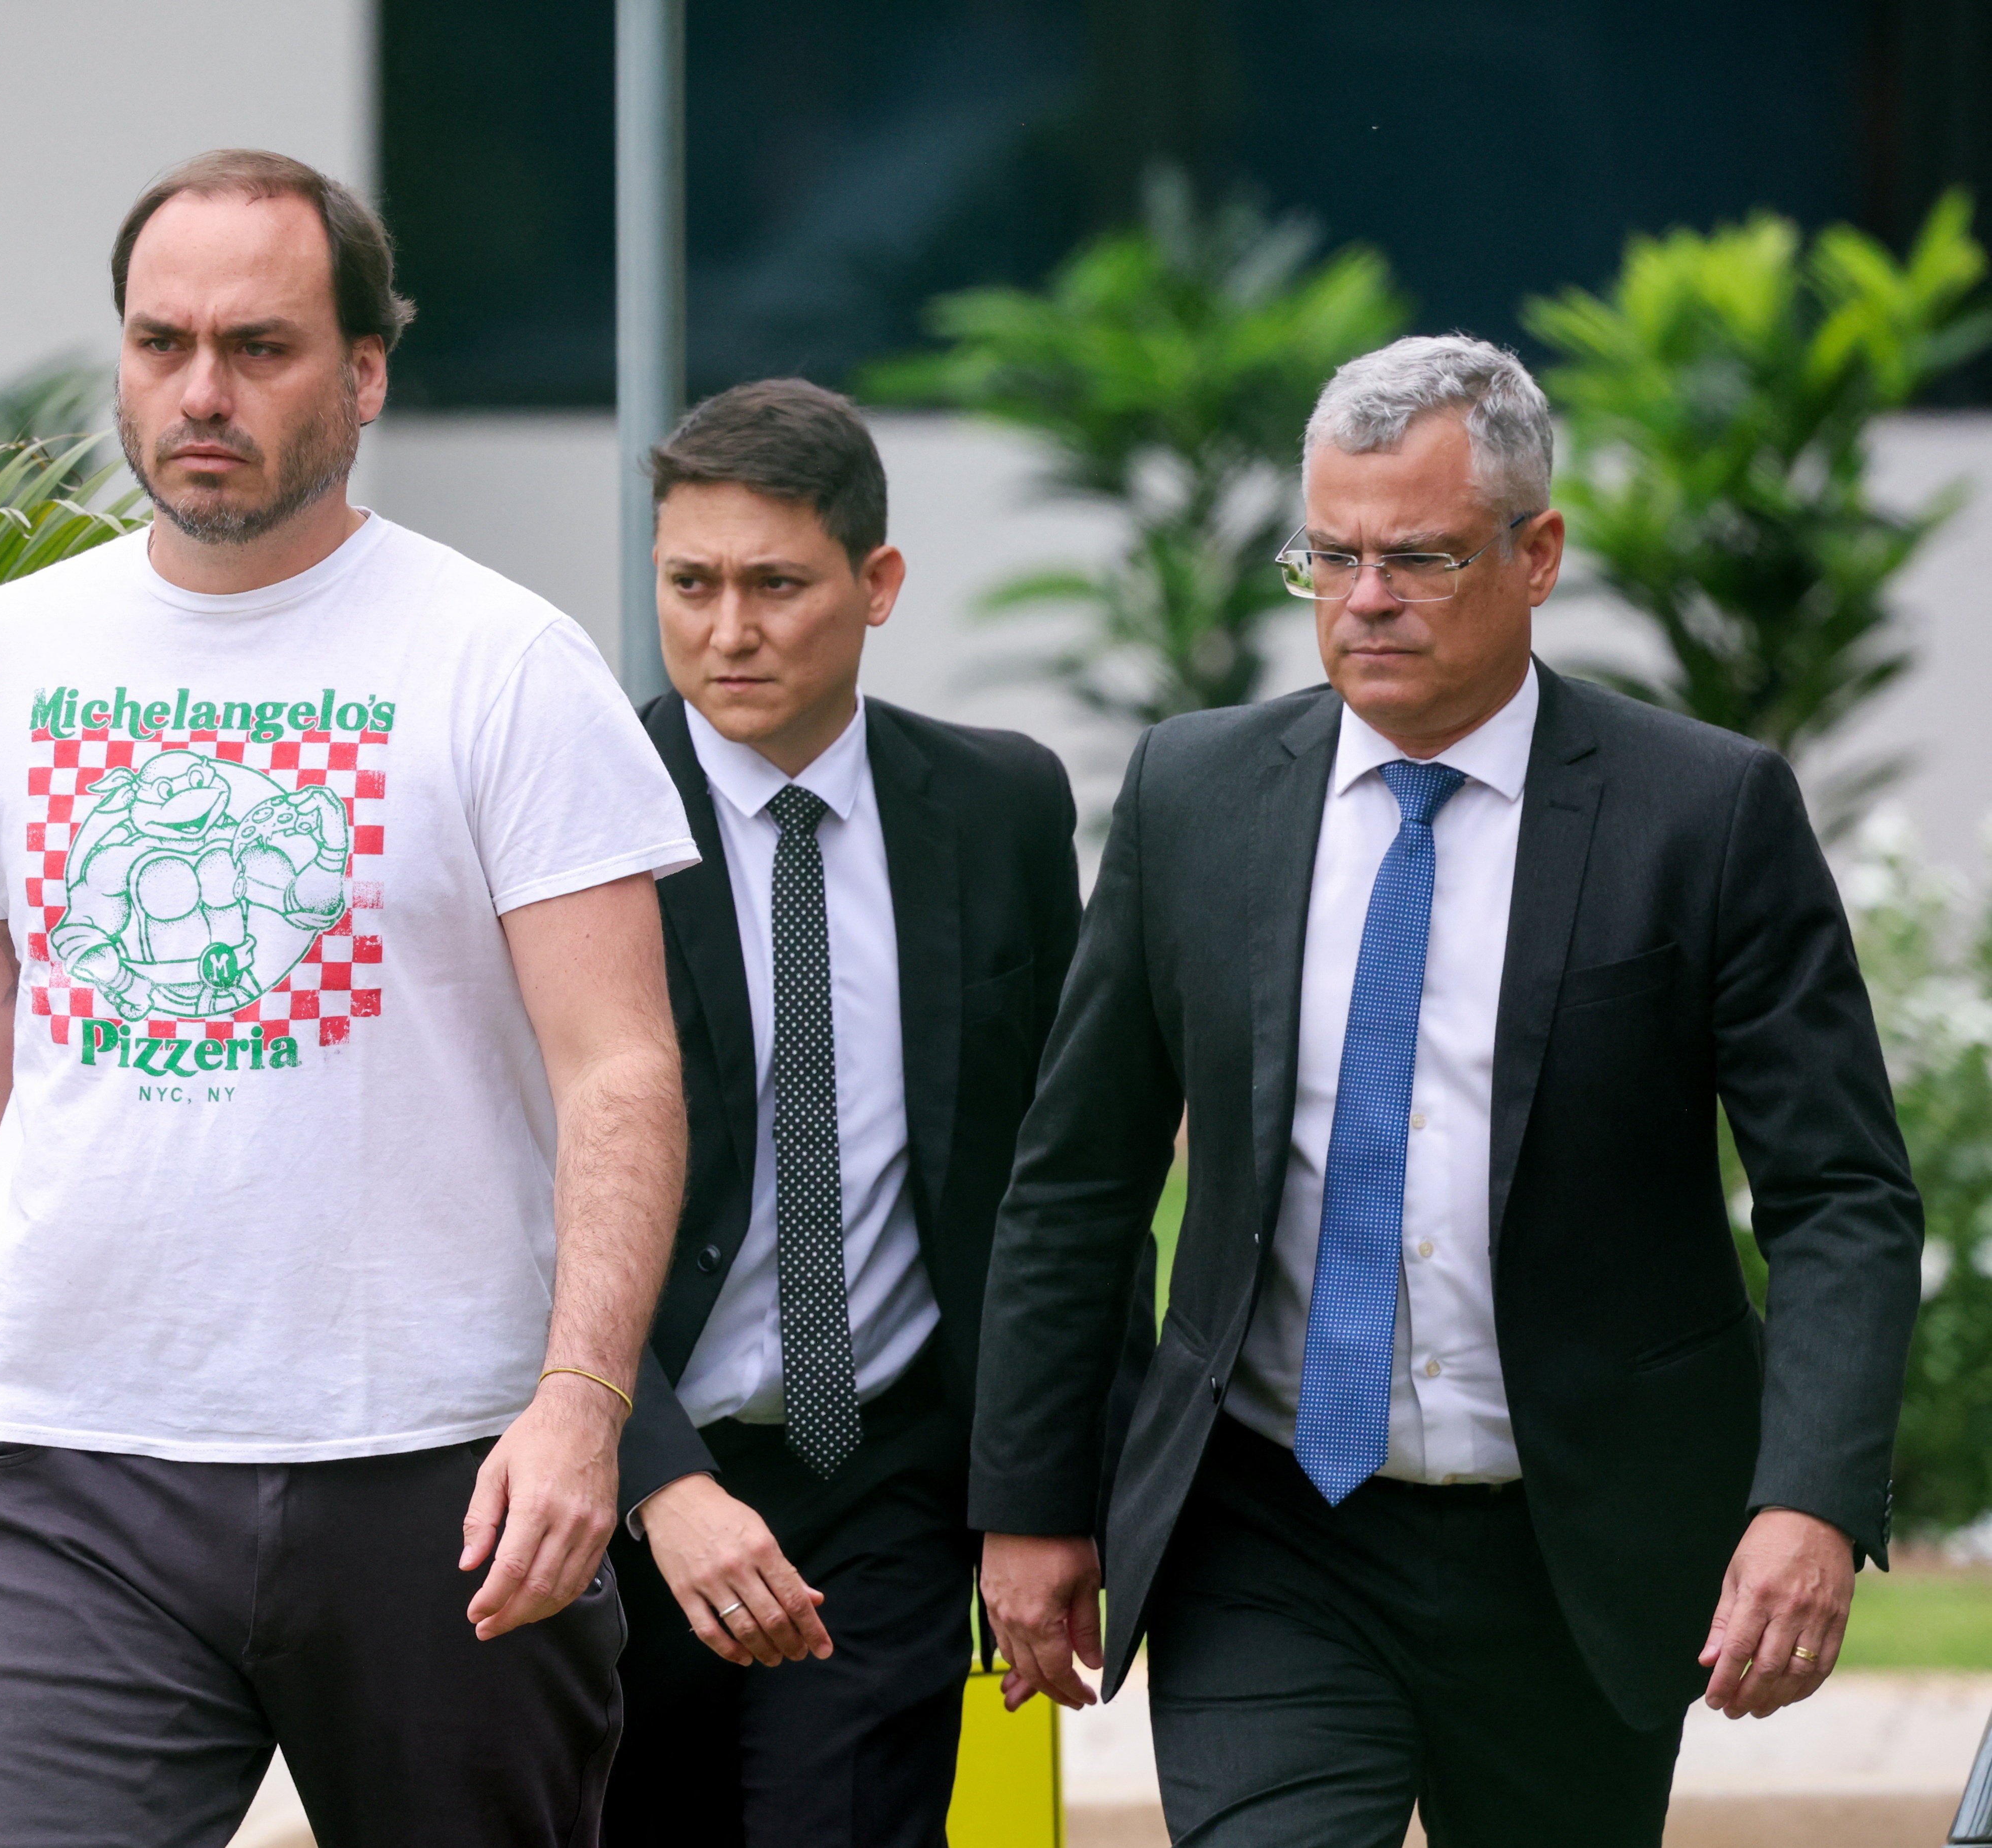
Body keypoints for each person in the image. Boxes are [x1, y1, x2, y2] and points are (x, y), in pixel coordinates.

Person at [0, 148, 699, 1848]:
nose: (201, 392)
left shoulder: (500, 661)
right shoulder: (8, 654)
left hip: (444, 1475)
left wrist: (580, 1405)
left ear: (364, 374)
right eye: (160, 343)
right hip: (77, 1473)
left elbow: (619, 1068)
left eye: (259, 346)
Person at [969, 335, 1924, 1847]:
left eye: (1417, 556)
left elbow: (1841, 1195)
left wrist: (1806, 1498)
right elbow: (1077, 1179)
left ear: (1535, 554)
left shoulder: (1703, 811)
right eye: (1330, 556)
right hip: (1267, 1531)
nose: (1364, 599)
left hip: (1575, 1542)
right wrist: (1030, 1499)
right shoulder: (1193, 794)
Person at [603, 378, 1149, 1847]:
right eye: (691, 584)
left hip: (883, 1483)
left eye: (775, 585)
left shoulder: (998, 805)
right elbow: (506, 1192)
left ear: (878, 581)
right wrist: (656, 1476)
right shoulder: (579, 812)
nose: (729, 629)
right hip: (622, 1478)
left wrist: (1054, 1492)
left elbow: (1069, 1173)